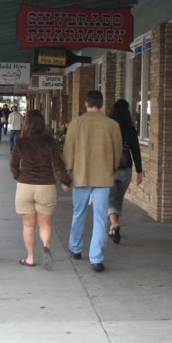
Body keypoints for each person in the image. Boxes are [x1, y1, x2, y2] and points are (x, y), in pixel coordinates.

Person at [63, 90, 122, 272]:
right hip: (103, 177)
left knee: (78, 213)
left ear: (86, 104)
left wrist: (67, 174)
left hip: (80, 176)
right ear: (101, 104)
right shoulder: (112, 125)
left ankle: (75, 247)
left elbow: (68, 151)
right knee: (99, 217)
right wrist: (111, 169)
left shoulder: (76, 123)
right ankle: (96, 257)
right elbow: (118, 151)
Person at [9, 109, 71, 268]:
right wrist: (65, 181)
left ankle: (30, 258)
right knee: (45, 224)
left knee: (28, 225)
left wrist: (19, 177)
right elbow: (58, 165)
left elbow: (13, 165)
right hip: (46, 186)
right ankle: (46, 247)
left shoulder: (20, 142)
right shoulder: (50, 142)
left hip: (25, 186)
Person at [107, 99, 143, 244]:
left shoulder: (109, 127)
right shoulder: (130, 129)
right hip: (126, 169)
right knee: (118, 199)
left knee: (110, 199)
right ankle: (113, 226)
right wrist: (139, 171)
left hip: (110, 169)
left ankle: (115, 224)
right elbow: (136, 151)